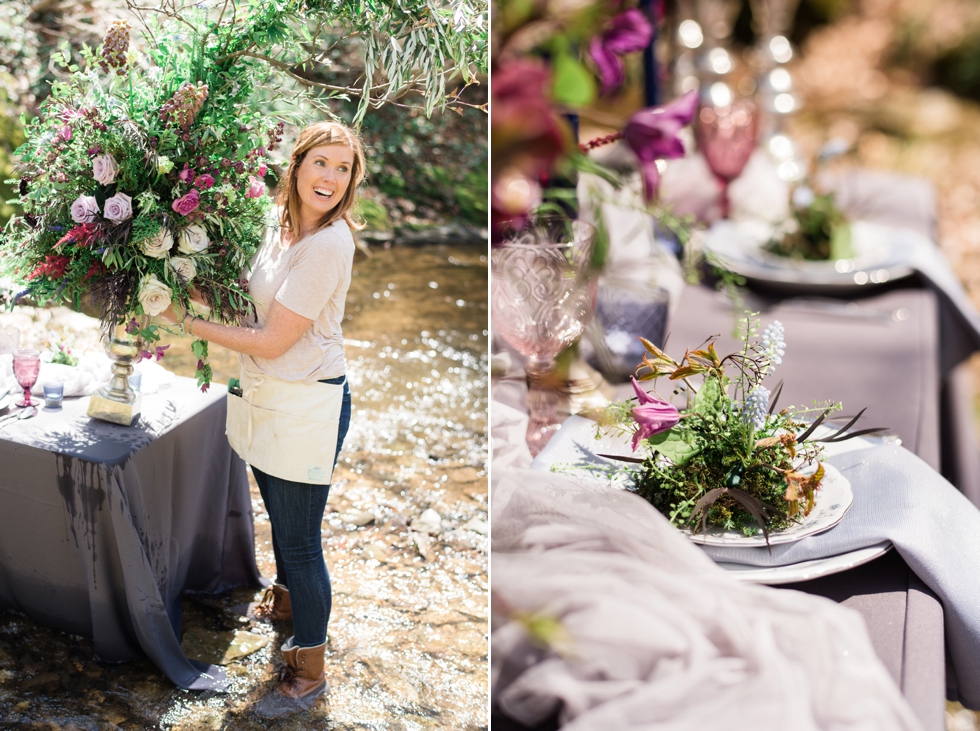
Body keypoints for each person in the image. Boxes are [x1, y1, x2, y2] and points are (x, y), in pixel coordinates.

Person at [163, 120, 364, 717]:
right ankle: (287, 606)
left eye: (343, 168)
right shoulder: (279, 230)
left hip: (307, 401)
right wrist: (179, 291)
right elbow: (247, 305)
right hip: (272, 396)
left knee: (301, 543)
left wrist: (183, 322)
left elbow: (273, 340)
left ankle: (310, 669)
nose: (330, 177)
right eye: (321, 163)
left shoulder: (329, 245)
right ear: (297, 165)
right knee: (282, 520)